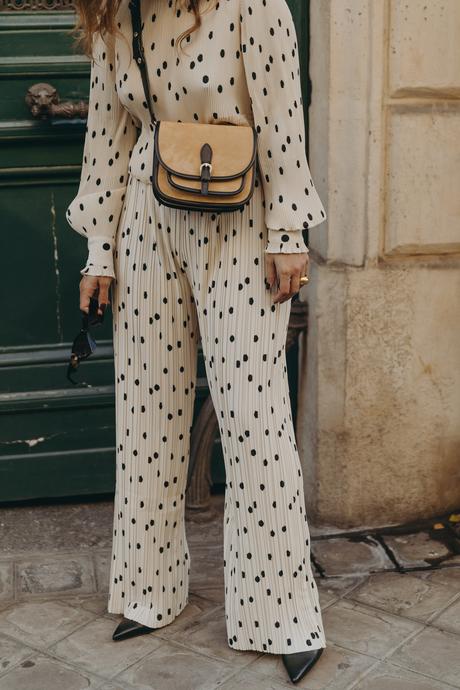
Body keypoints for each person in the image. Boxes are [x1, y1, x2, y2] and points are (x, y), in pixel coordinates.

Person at [67, 0, 327, 683]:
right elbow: (107, 132)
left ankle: (282, 613)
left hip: (240, 219)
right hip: (146, 220)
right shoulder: (114, 11)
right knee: (148, 414)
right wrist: (100, 250)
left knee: (253, 416)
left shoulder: (254, 4)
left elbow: (281, 118)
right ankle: (150, 591)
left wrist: (288, 233)